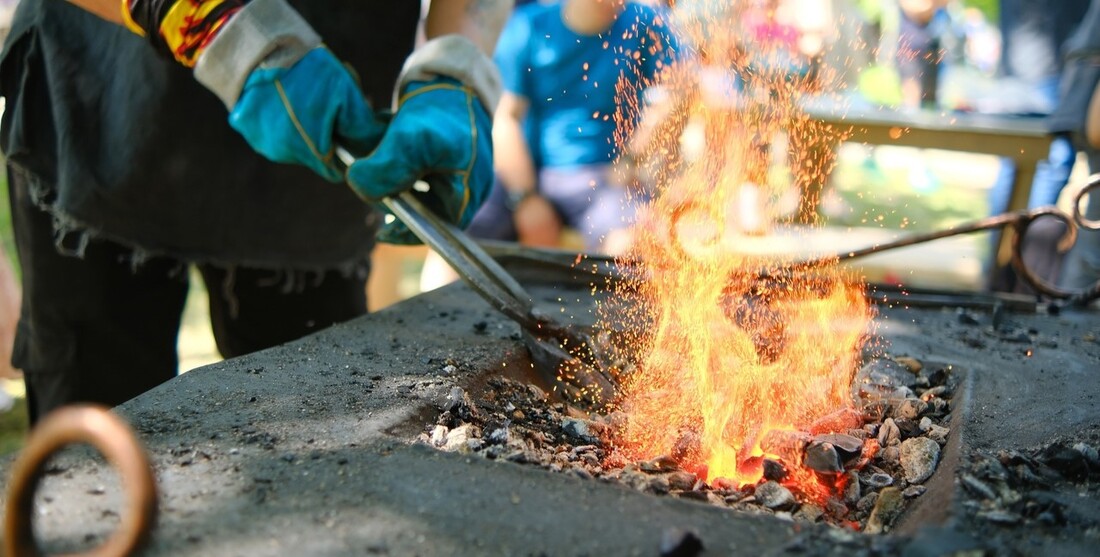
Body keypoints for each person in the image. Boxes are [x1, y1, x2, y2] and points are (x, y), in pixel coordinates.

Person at [1, 0, 511, 422]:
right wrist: (206, 19)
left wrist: (455, 66)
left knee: (329, 430)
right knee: (96, 457)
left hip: (318, 134)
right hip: (104, 112)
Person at [464, 0, 678, 253]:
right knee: (461, 234)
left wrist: (633, 156)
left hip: (603, 178)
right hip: (529, 174)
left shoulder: (644, 21)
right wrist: (526, 199)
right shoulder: (529, 26)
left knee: (630, 246)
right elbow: (505, 119)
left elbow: (682, 87)